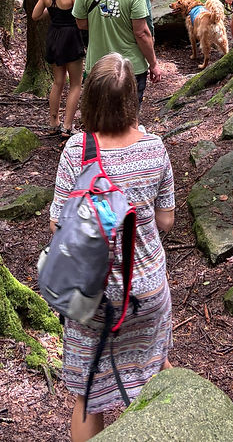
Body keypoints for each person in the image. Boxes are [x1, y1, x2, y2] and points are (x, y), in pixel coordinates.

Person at [50, 54, 175, 441]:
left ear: (90, 98)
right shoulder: (154, 148)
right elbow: (167, 220)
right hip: (147, 289)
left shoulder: (77, 150)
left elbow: (57, 223)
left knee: (89, 396)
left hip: (92, 297)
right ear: (131, 100)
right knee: (158, 377)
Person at [30, 0, 85, 137]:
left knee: (58, 82)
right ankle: (67, 126)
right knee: (76, 83)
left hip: (54, 37)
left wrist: (52, 11)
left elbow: (35, 15)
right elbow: (81, 16)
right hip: (70, 38)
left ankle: (54, 122)